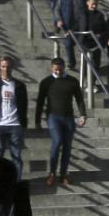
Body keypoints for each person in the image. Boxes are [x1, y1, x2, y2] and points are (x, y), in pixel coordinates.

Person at [34, 57, 87, 188]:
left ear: (63, 68)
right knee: (57, 141)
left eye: (60, 69)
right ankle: (52, 173)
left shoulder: (72, 81)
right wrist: (37, 121)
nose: (58, 72)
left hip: (68, 117)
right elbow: (40, 102)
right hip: (53, 117)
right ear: (51, 68)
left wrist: (83, 114)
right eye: (55, 69)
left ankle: (63, 174)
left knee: (67, 146)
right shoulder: (46, 82)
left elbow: (79, 99)